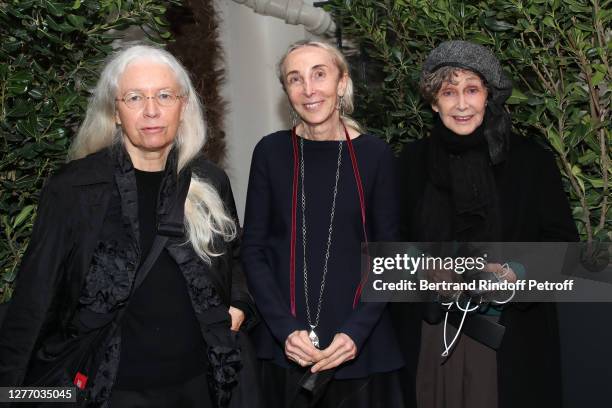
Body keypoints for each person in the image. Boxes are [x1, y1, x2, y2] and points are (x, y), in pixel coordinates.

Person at [0, 44, 256, 407]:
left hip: (201, 385)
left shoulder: (209, 181)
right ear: (116, 112)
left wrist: (239, 303)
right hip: (110, 390)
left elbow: (234, 255)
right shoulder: (75, 188)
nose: (151, 110)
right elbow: (34, 298)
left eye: (164, 95)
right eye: (134, 97)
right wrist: (11, 393)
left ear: (183, 106)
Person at [394, 40, 579, 408]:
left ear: (488, 96)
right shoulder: (410, 163)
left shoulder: (531, 162)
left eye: (472, 90)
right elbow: (393, 240)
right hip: (433, 336)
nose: (461, 104)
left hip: (512, 335)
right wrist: (425, 268)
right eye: (449, 92)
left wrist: (517, 271)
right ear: (434, 101)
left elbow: (563, 244)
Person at [241, 40, 406, 407]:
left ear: (342, 82)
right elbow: (253, 251)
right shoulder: (270, 152)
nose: (309, 89)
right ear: (287, 92)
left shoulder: (375, 154)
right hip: (286, 349)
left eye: (320, 74)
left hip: (361, 349)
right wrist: (285, 329)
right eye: (295, 79)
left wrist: (355, 332)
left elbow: (390, 256)